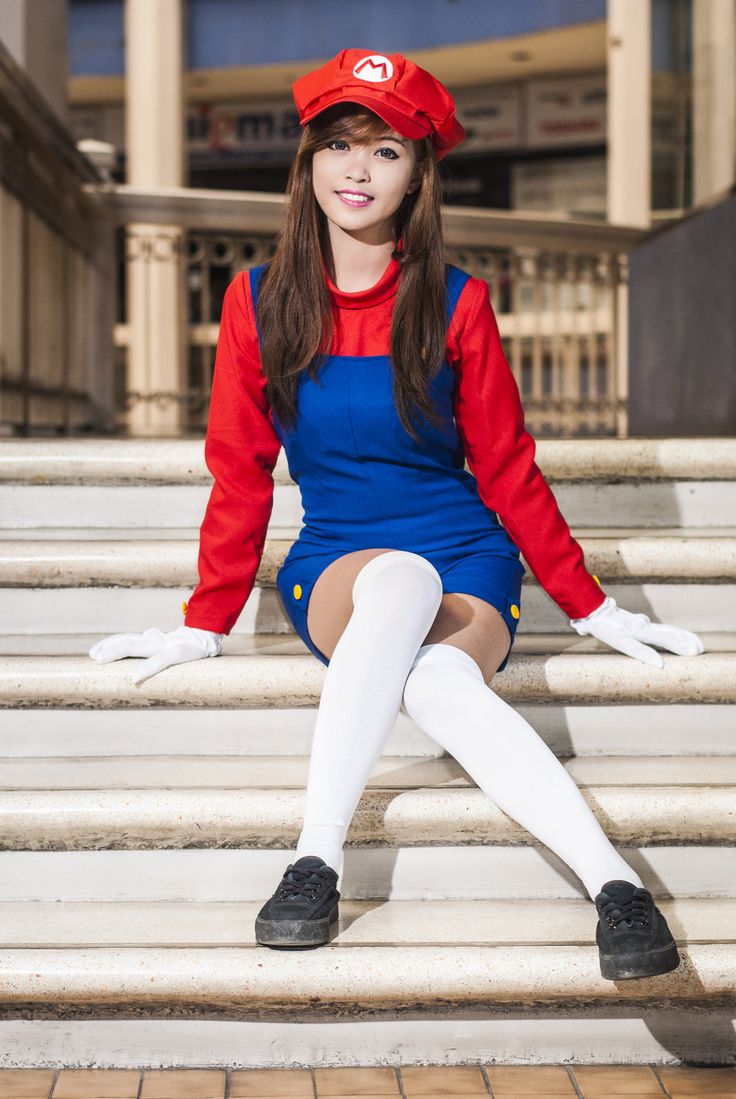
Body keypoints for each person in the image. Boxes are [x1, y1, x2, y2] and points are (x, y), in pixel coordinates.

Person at [89, 49, 705, 982]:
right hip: (340, 560)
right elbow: (241, 469)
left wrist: (588, 604)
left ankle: (615, 886)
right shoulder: (257, 300)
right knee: (398, 580)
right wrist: (204, 618)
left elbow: (505, 465)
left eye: (384, 150)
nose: (358, 170)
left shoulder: (458, 302)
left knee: (445, 688)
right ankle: (319, 854)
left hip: (467, 554)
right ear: (308, 165)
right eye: (339, 146)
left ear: (419, 172)